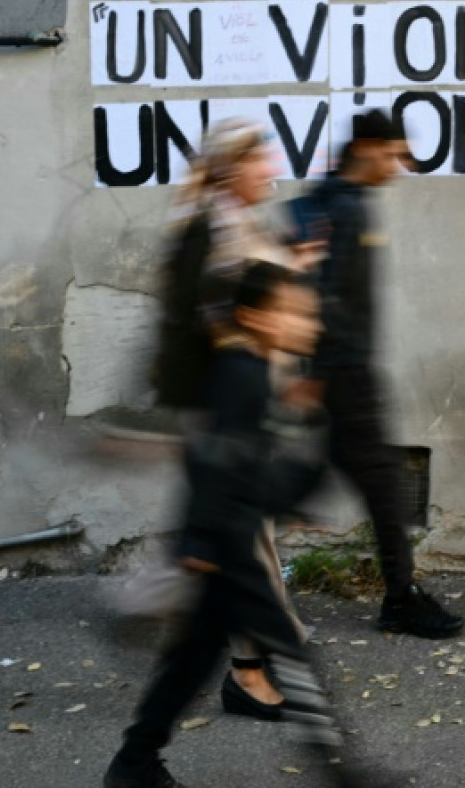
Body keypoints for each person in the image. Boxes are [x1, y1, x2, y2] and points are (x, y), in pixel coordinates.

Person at [106, 263, 399, 788]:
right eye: (294, 312)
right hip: (228, 547)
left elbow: (243, 461)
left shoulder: (256, 372)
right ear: (255, 317)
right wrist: (201, 540)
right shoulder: (239, 375)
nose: (306, 323)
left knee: (191, 663)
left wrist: (287, 494)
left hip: (222, 540)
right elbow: (213, 462)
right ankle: (343, 775)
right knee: (292, 653)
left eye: (307, 312)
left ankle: (133, 764)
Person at [152, 119, 312, 718]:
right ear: (231, 170)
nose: (271, 170)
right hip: (227, 418)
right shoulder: (209, 231)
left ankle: (253, 652)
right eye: (260, 161)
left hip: (247, 414)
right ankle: (252, 668)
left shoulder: (237, 223)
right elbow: (214, 328)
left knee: (246, 541)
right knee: (245, 543)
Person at [303, 110, 463, 640]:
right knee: (381, 491)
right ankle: (400, 600)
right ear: (367, 147)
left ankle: (400, 596)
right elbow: (326, 298)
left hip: (340, 372)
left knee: (343, 485)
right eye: (394, 154)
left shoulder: (333, 200)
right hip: (345, 375)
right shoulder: (344, 208)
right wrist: (326, 374)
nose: (399, 167)